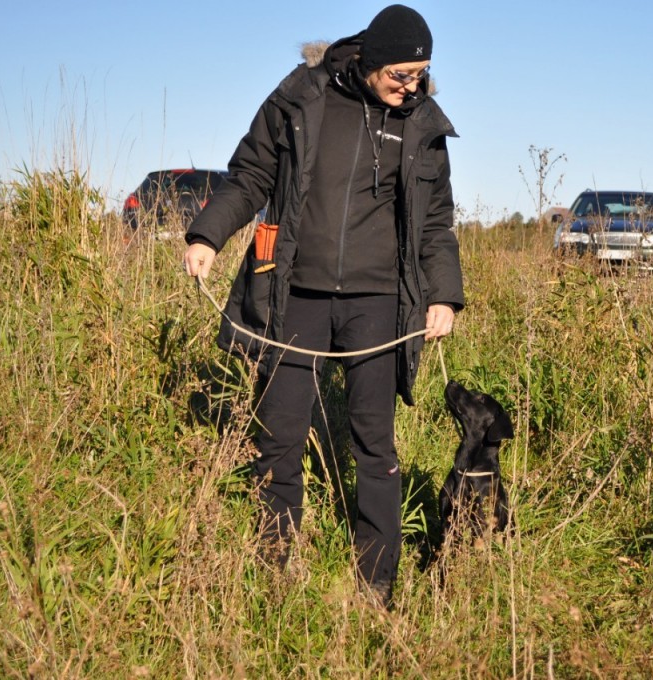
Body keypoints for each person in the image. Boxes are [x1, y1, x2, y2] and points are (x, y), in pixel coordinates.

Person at [181, 4, 463, 606]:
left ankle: (376, 582)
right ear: (371, 59)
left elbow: (436, 222)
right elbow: (251, 173)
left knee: (374, 440)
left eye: (422, 75)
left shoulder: (422, 125)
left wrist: (443, 296)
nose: (411, 86)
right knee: (281, 431)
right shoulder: (301, 97)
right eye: (402, 74)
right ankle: (273, 564)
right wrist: (207, 234)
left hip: (379, 302)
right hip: (294, 293)